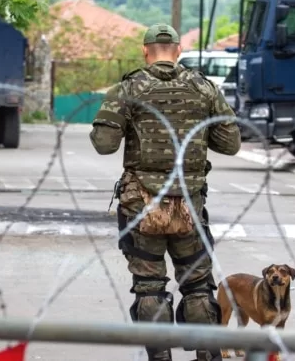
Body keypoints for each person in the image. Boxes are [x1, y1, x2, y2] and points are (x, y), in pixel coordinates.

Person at [89, 23, 241, 361]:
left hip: (141, 205)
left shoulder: (127, 88)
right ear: (177, 51)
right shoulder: (204, 88)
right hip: (189, 202)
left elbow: (103, 145)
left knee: (149, 287)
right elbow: (230, 144)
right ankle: (206, 354)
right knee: (198, 285)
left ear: (145, 51)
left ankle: (159, 357)